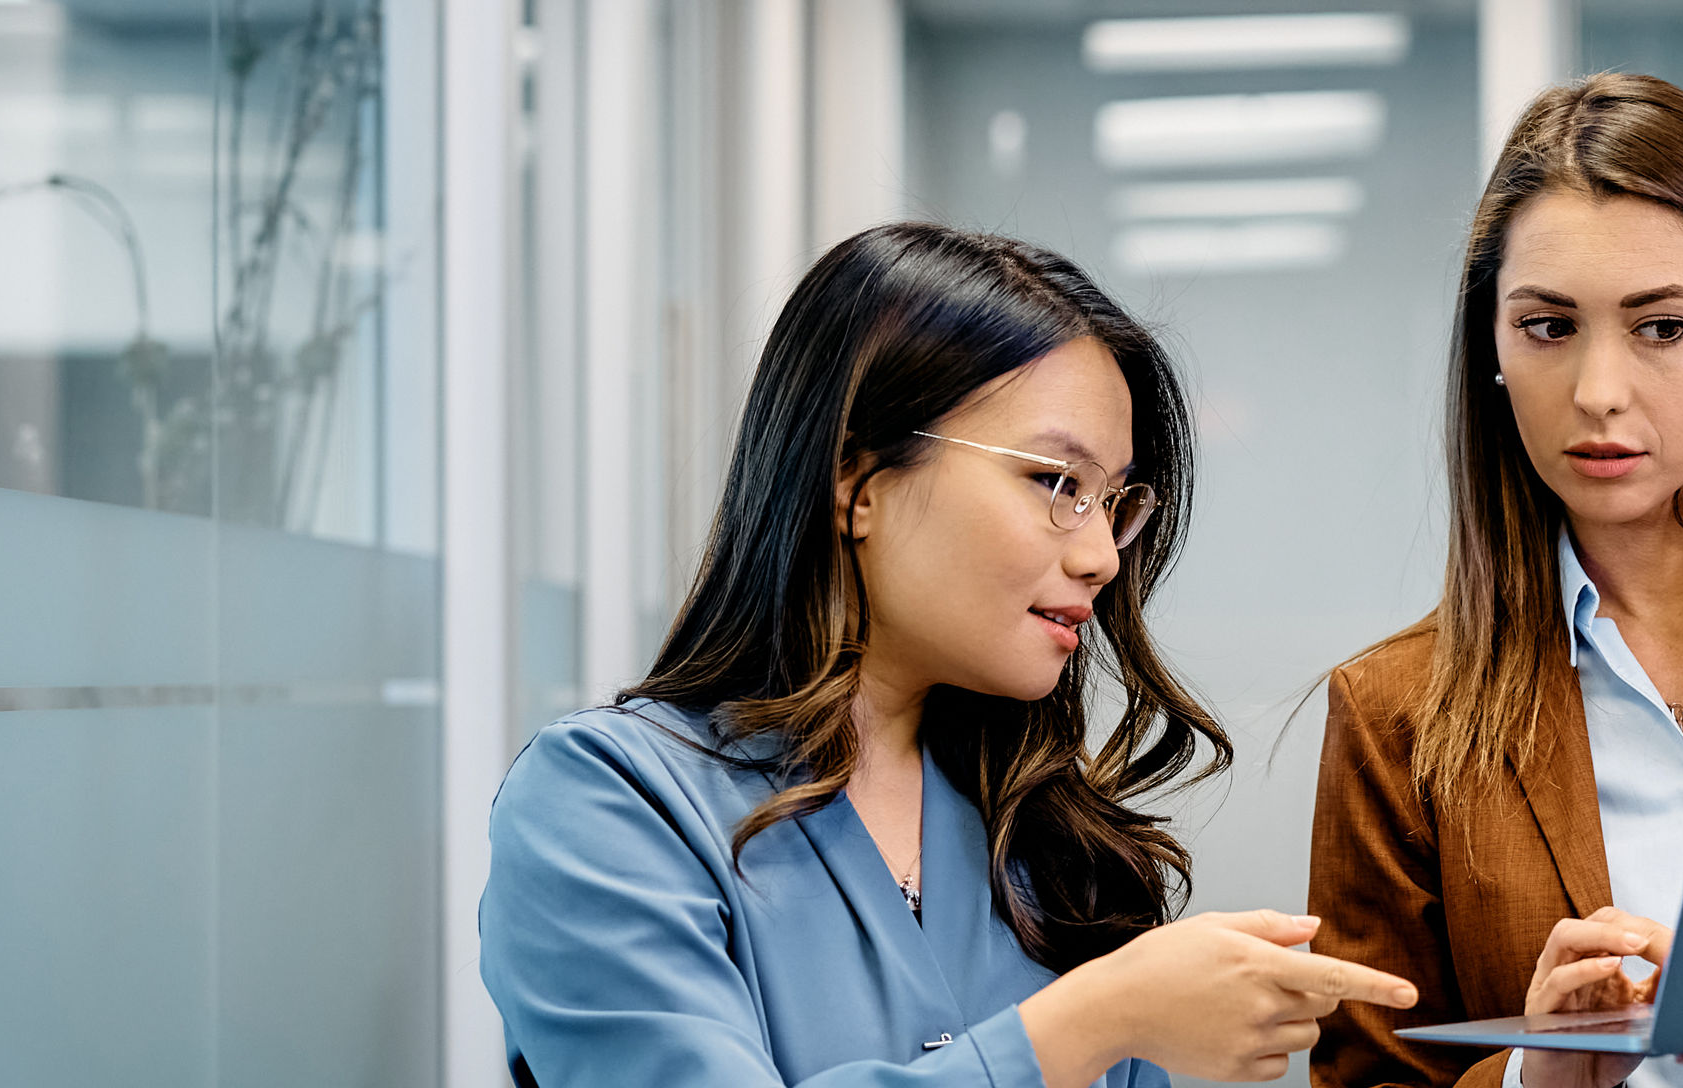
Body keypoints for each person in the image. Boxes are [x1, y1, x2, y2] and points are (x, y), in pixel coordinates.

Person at [483, 222, 1417, 1088]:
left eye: (1114, 501)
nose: (1099, 555)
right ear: (858, 482)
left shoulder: (1052, 850)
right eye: (1055, 482)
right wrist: (1092, 1020)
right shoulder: (609, 805)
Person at [1309, 73, 1683, 1088]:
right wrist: (1531, 1075)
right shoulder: (1394, 710)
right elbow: (1364, 1078)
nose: (1596, 392)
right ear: (1492, 347)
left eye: (1660, 327)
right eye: (1547, 326)